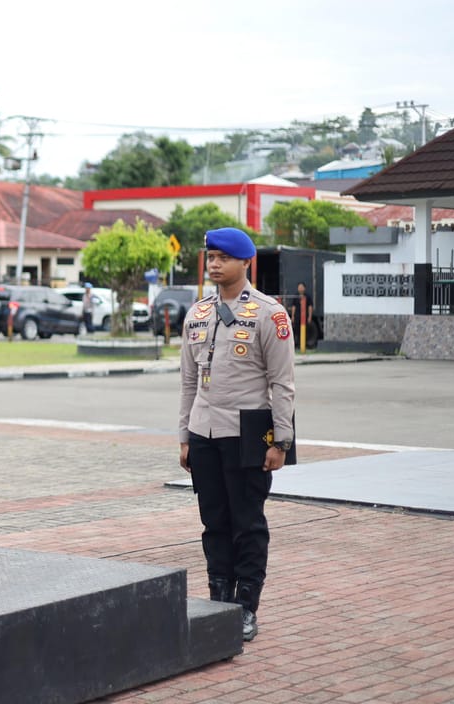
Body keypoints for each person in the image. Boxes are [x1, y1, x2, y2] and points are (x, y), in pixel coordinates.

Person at [178, 227, 296, 643]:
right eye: (210, 257)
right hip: (204, 433)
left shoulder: (269, 314)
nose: (214, 264)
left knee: (247, 524)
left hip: (247, 436)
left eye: (223, 258)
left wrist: (282, 441)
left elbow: (281, 383)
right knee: (214, 523)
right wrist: (185, 436)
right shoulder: (197, 313)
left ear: (245, 262)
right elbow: (189, 383)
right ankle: (218, 600)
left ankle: (246, 607)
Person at [289, 281, 317, 349]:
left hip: (305, 317)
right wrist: (292, 316)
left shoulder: (308, 296)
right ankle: (298, 345)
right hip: (297, 317)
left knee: (306, 331)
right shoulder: (296, 296)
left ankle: (306, 345)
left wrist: (310, 317)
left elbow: (310, 307)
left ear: (304, 288)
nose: (300, 288)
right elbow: (293, 307)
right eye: (299, 287)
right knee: (297, 331)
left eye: (302, 287)